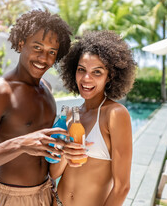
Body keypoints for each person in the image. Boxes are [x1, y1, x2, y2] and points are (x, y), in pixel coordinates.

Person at [0, 9, 72, 206]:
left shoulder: (47, 89)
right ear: (21, 43)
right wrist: (21, 144)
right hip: (11, 198)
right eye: (37, 47)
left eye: (51, 52)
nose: (44, 58)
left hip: (46, 192)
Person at [50, 30, 136, 206]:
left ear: (109, 76)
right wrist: (66, 153)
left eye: (97, 72)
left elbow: (122, 187)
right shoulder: (71, 115)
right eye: (82, 70)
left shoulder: (115, 114)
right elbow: (54, 173)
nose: (86, 78)